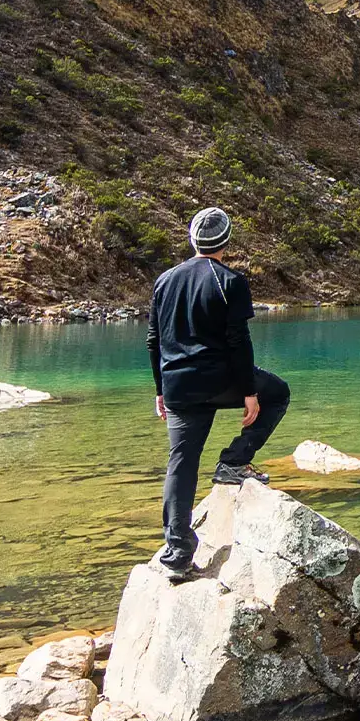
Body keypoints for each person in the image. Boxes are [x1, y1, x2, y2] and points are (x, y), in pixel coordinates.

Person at [147, 206, 290, 579]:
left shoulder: (164, 280)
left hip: (177, 386)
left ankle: (177, 554)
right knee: (277, 393)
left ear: (192, 240)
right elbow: (238, 342)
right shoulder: (231, 281)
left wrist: (160, 389)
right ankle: (232, 462)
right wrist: (248, 391)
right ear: (226, 242)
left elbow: (154, 341)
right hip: (220, 381)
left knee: (181, 463)